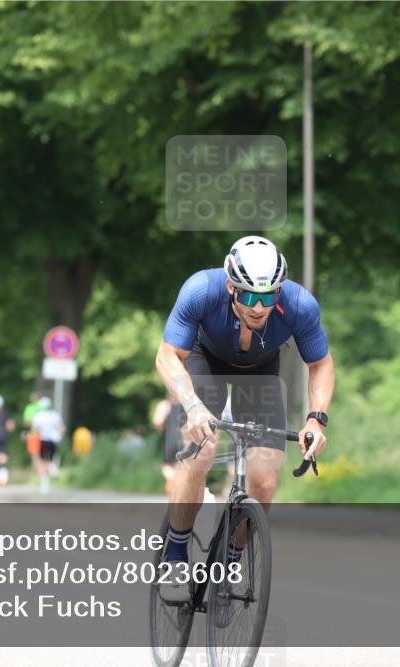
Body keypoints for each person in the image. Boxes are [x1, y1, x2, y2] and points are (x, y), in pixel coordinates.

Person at [155, 235, 334, 603]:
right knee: (201, 450)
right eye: (249, 296)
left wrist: (316, 420)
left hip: (261, 370)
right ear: (230, 286)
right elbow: (167, 355)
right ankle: (175, 554)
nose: (258, 307)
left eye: (268, 297)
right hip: (205, 360)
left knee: (264, 480)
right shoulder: (201, 291)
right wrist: (191, 405)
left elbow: (321, 364)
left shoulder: (300, 305)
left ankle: (231, 563)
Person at [30, 397, 65, 494]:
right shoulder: (55, 415)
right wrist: (59, 436)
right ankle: (52, 469)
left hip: (42, 440)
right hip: (53, 441)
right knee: (49, 460)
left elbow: (36, 430)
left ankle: (44, 484)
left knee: (41, 462)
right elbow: (62, 428)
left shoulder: (38, 416)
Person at [153, 396, 185, 494]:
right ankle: (181, 485)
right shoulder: (189, 405)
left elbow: (158, 421)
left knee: (167, 465)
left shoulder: (165, 404)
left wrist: (161, 429)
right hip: (186, 439)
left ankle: (172, 481)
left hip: (170, 438)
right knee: (182, 464)